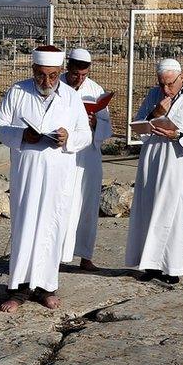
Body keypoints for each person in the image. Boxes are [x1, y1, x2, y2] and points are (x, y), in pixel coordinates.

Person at [0, 45, 92, 312]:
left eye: (53, 76)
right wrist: (23, 135)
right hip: (27, 174)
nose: (46, 82)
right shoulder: (17, 91)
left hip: (59, 175)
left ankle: (47, 287)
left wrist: (68, 138)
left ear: (60, 72)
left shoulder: (70, 97)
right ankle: (18, 289)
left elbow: (85, 134)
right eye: (41, 76)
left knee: (52, 227)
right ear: (33, 71)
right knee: (25, 228)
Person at [125, 58, 183, 284]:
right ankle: (151, 266)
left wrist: (179, 135)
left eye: (170, 84)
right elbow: (138, 126)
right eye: (161, 84)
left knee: (173, 213)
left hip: (177, 163)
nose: (165, 89)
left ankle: (171, 268)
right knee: (149, 210)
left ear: (182, 77)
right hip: (152, 160)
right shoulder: (154, 95)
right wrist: (155, 112)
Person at [60, 48, 112, 271]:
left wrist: (94, 124)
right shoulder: (57, 86)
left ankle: (85, 256)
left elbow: (107, 127)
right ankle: (57, 254)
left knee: (87, 204)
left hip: (87, 156)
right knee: (62, 204)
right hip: (64, 154)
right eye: (75, 75)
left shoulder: (95, 90)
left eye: (84, 75)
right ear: (68, 68)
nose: (79, 80)